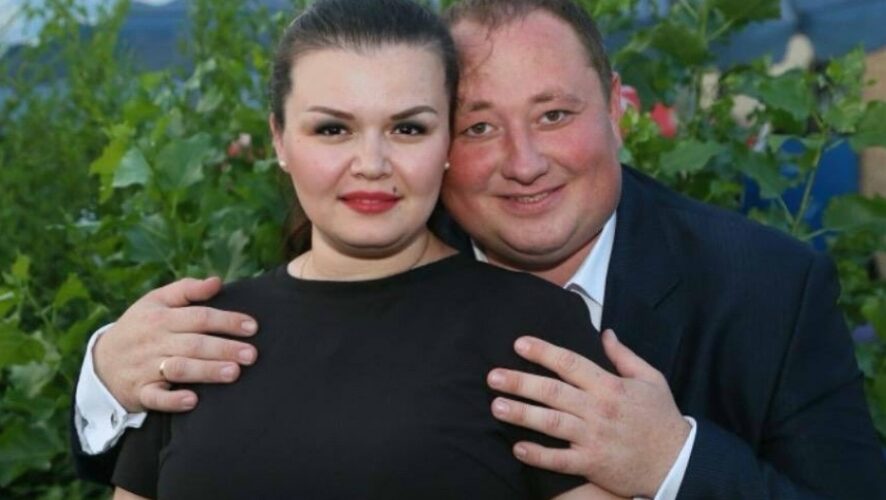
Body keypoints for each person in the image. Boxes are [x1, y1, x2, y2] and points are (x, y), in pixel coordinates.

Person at [73, 0, 886, 498]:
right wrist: (107, 373)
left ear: (617, 110)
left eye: (555, 115)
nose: (523, 162)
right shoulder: (369, 246)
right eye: (479, 126)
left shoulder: (767, 289)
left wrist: (674, 461)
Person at [106, 0, 619, 498]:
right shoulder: (196, 337)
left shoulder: (535, 332)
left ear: (447, 142)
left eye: (408, 128)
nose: (372, 163)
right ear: (279, 139)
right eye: (333, 129)